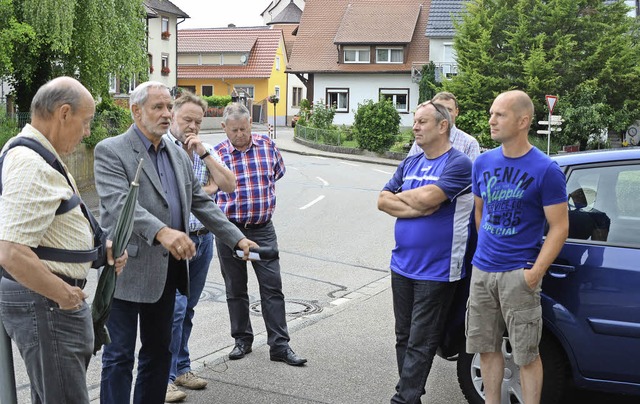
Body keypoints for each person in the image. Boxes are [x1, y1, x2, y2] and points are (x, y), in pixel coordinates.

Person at [94, 82, 258, 404]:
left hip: (167, 274)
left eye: (169, 107)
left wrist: (236, 238)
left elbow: (201, 203)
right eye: (158, 108)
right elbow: (119, 203)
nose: (167, 114)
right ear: (136, 110)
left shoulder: (177, 155)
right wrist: (162, 232)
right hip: (126, 270)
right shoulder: (111, 150)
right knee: (119, 358)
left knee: (157, 356)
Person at [0, 76, 127, 403]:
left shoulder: (40, 156)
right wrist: (63, 295)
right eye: (86, 123)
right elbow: (11, 251)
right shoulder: (31, 164)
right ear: (64, 113)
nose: (87, 132)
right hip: (47, 303)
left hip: (48, 301)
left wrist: (100, 250)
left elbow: (54, 228)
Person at [466, 90, 568, 404]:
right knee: (486, 347)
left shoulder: (545, 170)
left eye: (500, 114)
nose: (491, 120)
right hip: (483, 273)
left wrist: (534, 273)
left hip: (518, 276)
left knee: (526, 354)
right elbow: (480, 210)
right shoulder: (482, 162)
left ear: (523, 121)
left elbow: (560, 227)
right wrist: (487, 249)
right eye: (491, 113)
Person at [378, 101, 473, 404]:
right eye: (415, 121)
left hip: (438, 268)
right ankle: (411, 396)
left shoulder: (459, 163)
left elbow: (432, 196)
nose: (415, 127)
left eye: (421, 122)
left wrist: (404, 201)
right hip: (402, 263)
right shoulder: (411, 163)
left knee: (422, 339)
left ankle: (403, 399)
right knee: (403, 337)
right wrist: (418, 206)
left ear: (442, 126)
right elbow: (382, 200)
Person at [213, 102, 307, 366]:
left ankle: (280, 346)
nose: (241, 134)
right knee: (235, 288)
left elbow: (276, 173)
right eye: (234, 130)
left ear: (250, 125)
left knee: (272, 287)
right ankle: (242, 340)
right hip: (230, 230)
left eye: (244, 128)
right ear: (224, 128)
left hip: (262, 230)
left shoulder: (267, 146)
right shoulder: (216, 154)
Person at [162, 92, 237, 402]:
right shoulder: (162, 150)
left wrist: (204, 155)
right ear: (173, 118)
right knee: (174, 310)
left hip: (203, 239)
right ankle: (163, 378)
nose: (191, 126)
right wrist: (207, 189)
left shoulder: (204, 151)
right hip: (174, 241)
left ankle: (182, 367)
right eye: (186, 120)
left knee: (188, 308)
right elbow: (176, 195)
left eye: (196, 121)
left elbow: (229, 184)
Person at [407, 91, 480, 161]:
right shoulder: (422, 141)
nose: (444, 114)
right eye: (439, 110)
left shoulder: (469, 143)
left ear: (456, 112)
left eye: (449, 110)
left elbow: (474, 173)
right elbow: (407, 169)